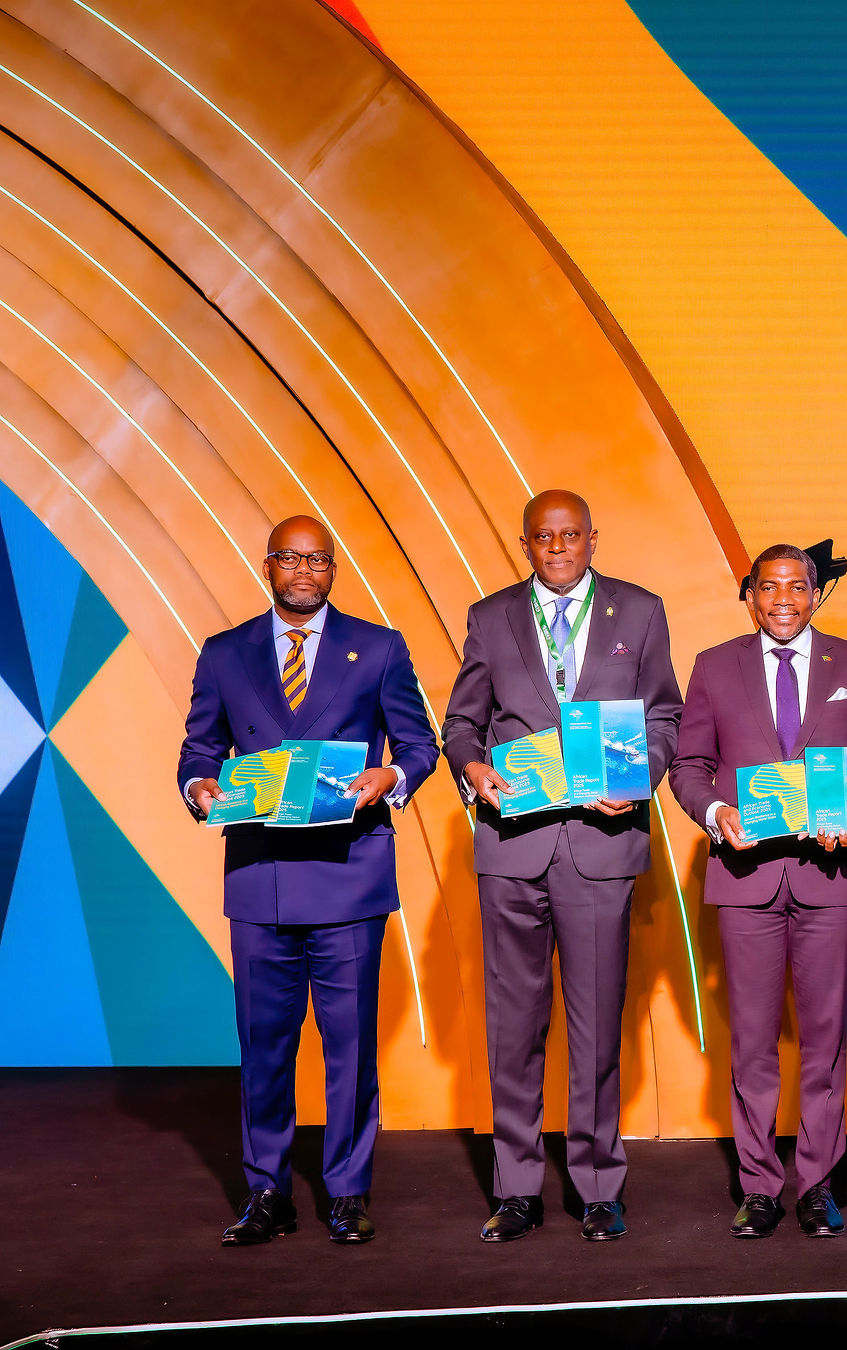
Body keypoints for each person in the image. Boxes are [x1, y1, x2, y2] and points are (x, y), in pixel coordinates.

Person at [178, 516, 439, 1246]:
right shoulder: (224, 653)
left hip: (348, 875)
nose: (303, 571)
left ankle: (348, 1192)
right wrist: (200, 787)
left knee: (349, 1045)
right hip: (260, 876)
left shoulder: (379, 647)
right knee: (263, 1043)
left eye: (317, 559)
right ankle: (266, 1192)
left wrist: (391, 776)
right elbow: (199, 748)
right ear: (266, 566)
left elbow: (419, 742)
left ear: (333, 569)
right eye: (289, 559)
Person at [442, 490, 683, 1243]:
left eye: (570, 534)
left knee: (597, 1023)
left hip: (599, 846)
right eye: (543, 537)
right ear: (525, 544)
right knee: (513, 1027)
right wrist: (472, 769)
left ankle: (598, 1187)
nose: (557, 547)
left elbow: (665, 715)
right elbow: (462, 722)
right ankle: (516, 1188)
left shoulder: (640, 611)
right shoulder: (490, 616)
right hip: (512, 846)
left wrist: (640, 779)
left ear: (592, 538)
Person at [670, 544, 847, 1240]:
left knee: (825, 1040)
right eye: (769, 588)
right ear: (751, 596)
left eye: (797, 587)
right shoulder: (714, 666)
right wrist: (716, 812)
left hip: (831, 876)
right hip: (747, 878)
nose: (784, 600)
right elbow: (689, 766)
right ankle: (759, 1186)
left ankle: (818, 1185)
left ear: (816, 595)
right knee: (753, 1042)